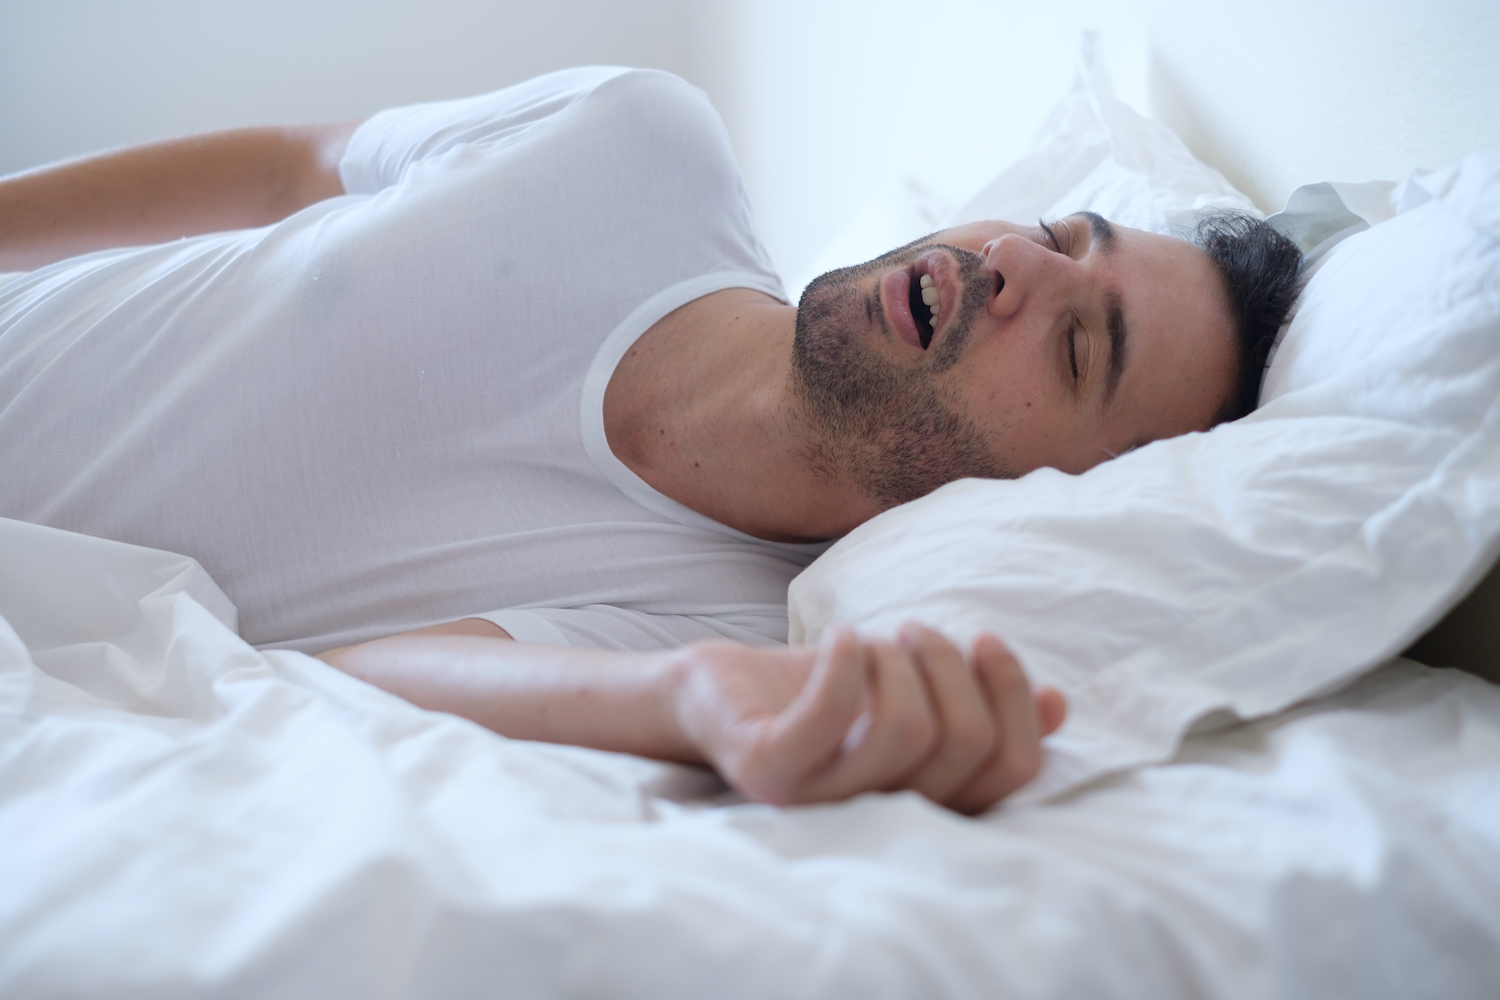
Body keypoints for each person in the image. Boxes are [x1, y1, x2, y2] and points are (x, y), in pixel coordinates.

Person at [0, 67, 1301, 813]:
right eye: (1063, 234)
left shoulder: (728, 626)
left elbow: (358, 678)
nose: (1015, 261)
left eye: (1080, 350)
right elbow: (297, 166)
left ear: (1049, 501)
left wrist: (683, 706)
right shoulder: (637, 145)